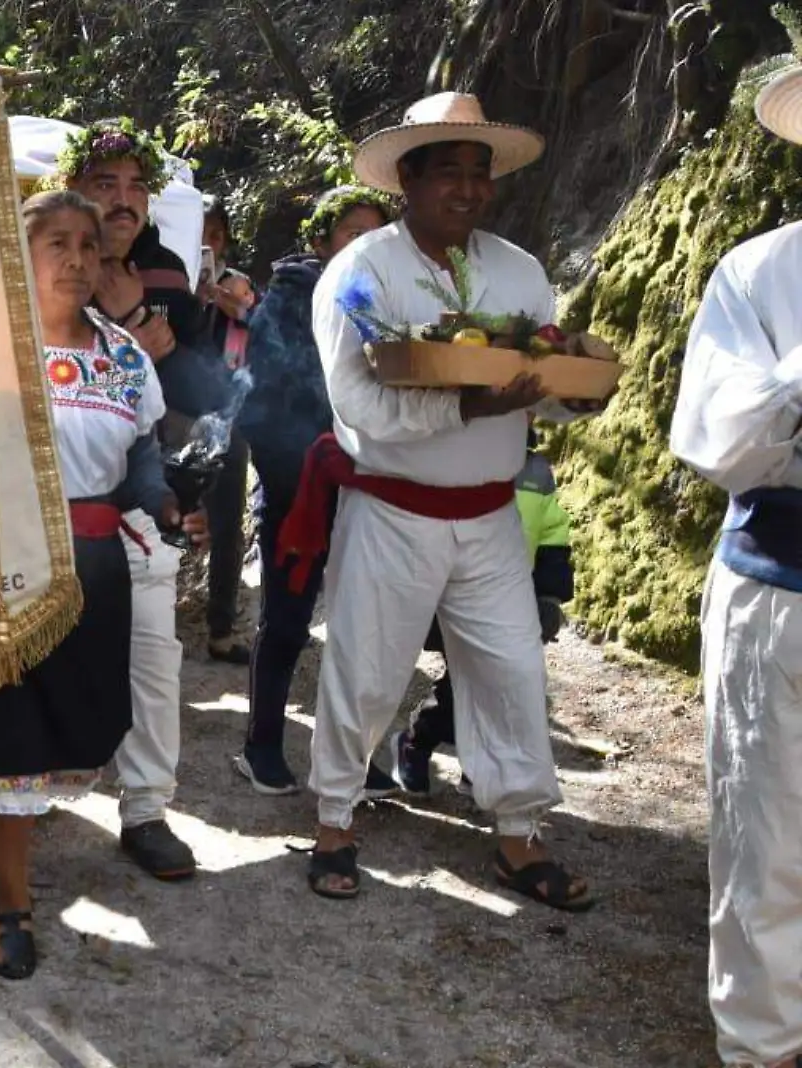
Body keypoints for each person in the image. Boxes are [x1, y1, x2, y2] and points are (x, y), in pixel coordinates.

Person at [285, 92, 599, 908]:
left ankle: (519, 832)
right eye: (447, 171)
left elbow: (539, 377)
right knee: (366, 668)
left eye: (478, 172)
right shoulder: (361, 271)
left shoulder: (520, 270)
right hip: (393, 510)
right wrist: (465, 407)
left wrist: (576, 397)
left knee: (511, 669)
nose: (466, 188)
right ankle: (333, 822)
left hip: (492, 515)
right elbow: (357, 402)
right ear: (407, 181)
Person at [0, 189, 204, 979]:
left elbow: (137, 458)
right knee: (8, 738)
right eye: (54, 242)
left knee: (71, 730)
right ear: (17, 259)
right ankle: (12, 904)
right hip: (2, 563)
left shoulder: (123, 355)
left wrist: (162, 497)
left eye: (88, 246)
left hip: (94, 569)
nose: (76, 259)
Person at [670, 64, 802, 1068]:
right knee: (766, 854)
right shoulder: (759, 273)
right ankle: (761, 1053)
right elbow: (721, 440)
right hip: (781, 597)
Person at [55, 119, 205, 880]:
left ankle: (146, 809)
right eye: (102, 187)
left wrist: (163, 501)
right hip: (41, 526)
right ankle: (14, 795)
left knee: (151, 661)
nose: (121, 203)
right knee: (33, 661)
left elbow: (173, 412)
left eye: (134, 187)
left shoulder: (162, 284)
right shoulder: (19, 310)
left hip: (131, 523)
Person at [233, 185, 396, 796]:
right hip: (295, 487)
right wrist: (295, 476)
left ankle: (357, 751)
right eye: (353, 233)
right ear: (323, 240)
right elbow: (260, 400)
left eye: (376, 233)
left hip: (370, 488)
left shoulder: (385, 305)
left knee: (364, 626)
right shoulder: (286, 302)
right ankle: (262, 744)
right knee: (288, 622)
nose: (366, 244)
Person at [392, 424, 575, 796]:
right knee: (470, 685)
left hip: (511, 599)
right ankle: (417, 741)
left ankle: (478, 767)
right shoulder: (458, 454)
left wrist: (550, 595)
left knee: (497, 687)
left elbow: (553, 531)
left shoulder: (535, 470)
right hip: (452, 594)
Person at [194, 197, 254, 663]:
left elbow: (263, 327)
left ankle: (221, 627)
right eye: (200, 233)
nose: (207, 243)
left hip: (227, 418)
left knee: (227, 524)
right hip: (173, 417)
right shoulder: (166, 281)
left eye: (215, 235)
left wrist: (239, 308)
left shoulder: (242, 288)